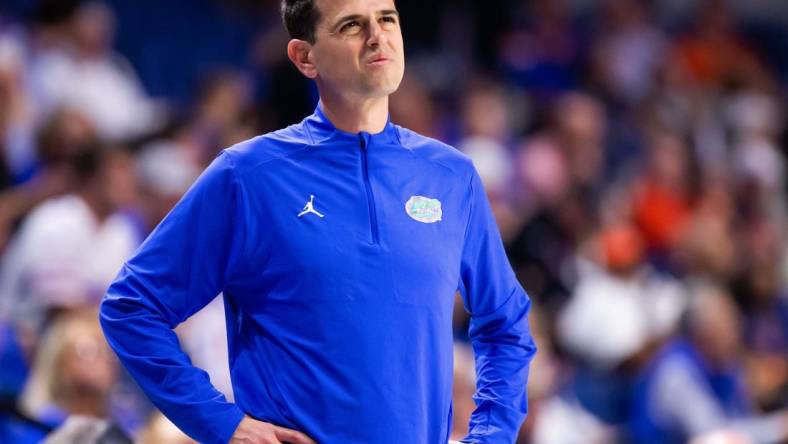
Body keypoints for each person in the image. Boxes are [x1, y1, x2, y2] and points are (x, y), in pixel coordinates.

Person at [99, 0, 537, 443]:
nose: (377, 36)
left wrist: (489, 435)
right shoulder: (249, 176)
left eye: (387, 19)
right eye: (351, 25)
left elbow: (507, 323)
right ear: (304, 57)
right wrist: (222, 424)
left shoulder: (451, 176)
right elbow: (131, 307)